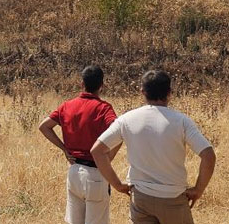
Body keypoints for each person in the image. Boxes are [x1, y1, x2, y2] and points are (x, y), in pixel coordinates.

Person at [91, 70, 216, 224]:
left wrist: (117, 184)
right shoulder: (182, 121)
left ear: (142, 91)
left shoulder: (127, 119)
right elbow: (208, 155)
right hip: (174, 198)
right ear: (169, 93)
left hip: (141, 199)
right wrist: (198, 190)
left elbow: (97, 151)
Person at [39, 65, 120, 224]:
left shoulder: (67, 106)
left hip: (74, 171)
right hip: (96, 173)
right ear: (102, 85)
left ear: (81, 84)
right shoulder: (103, 108)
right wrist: (108, 156)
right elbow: (119, 130)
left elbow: (44, 127)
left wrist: (64, 149)